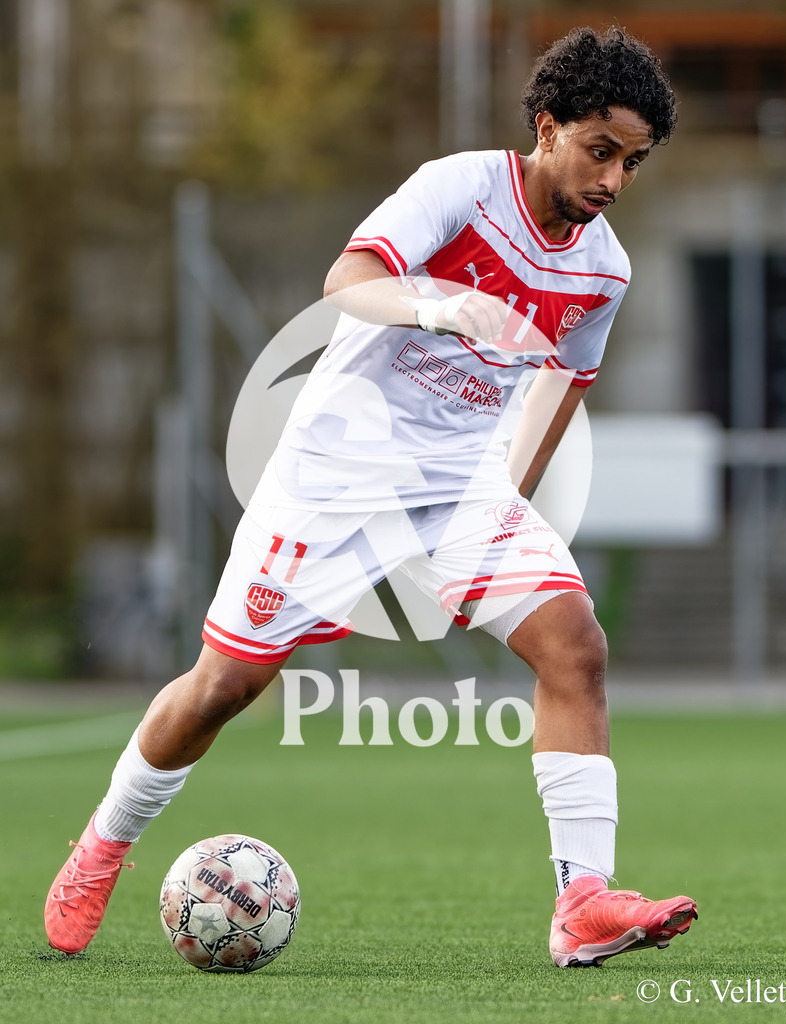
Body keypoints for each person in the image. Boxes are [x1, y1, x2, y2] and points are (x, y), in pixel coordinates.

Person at [45, 25, 696, 969]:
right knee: (224, 688)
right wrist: (437, 301)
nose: (613, 181)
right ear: (547, 128)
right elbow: (346, 280)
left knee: (575, 648)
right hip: (333, 477)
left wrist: (501, 507)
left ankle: (582, 901)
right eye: (601, 151)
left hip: (460, 487)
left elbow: (564, 384)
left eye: (631, 163)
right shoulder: (458, 187)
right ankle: (103, 843)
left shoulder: (603, 269)